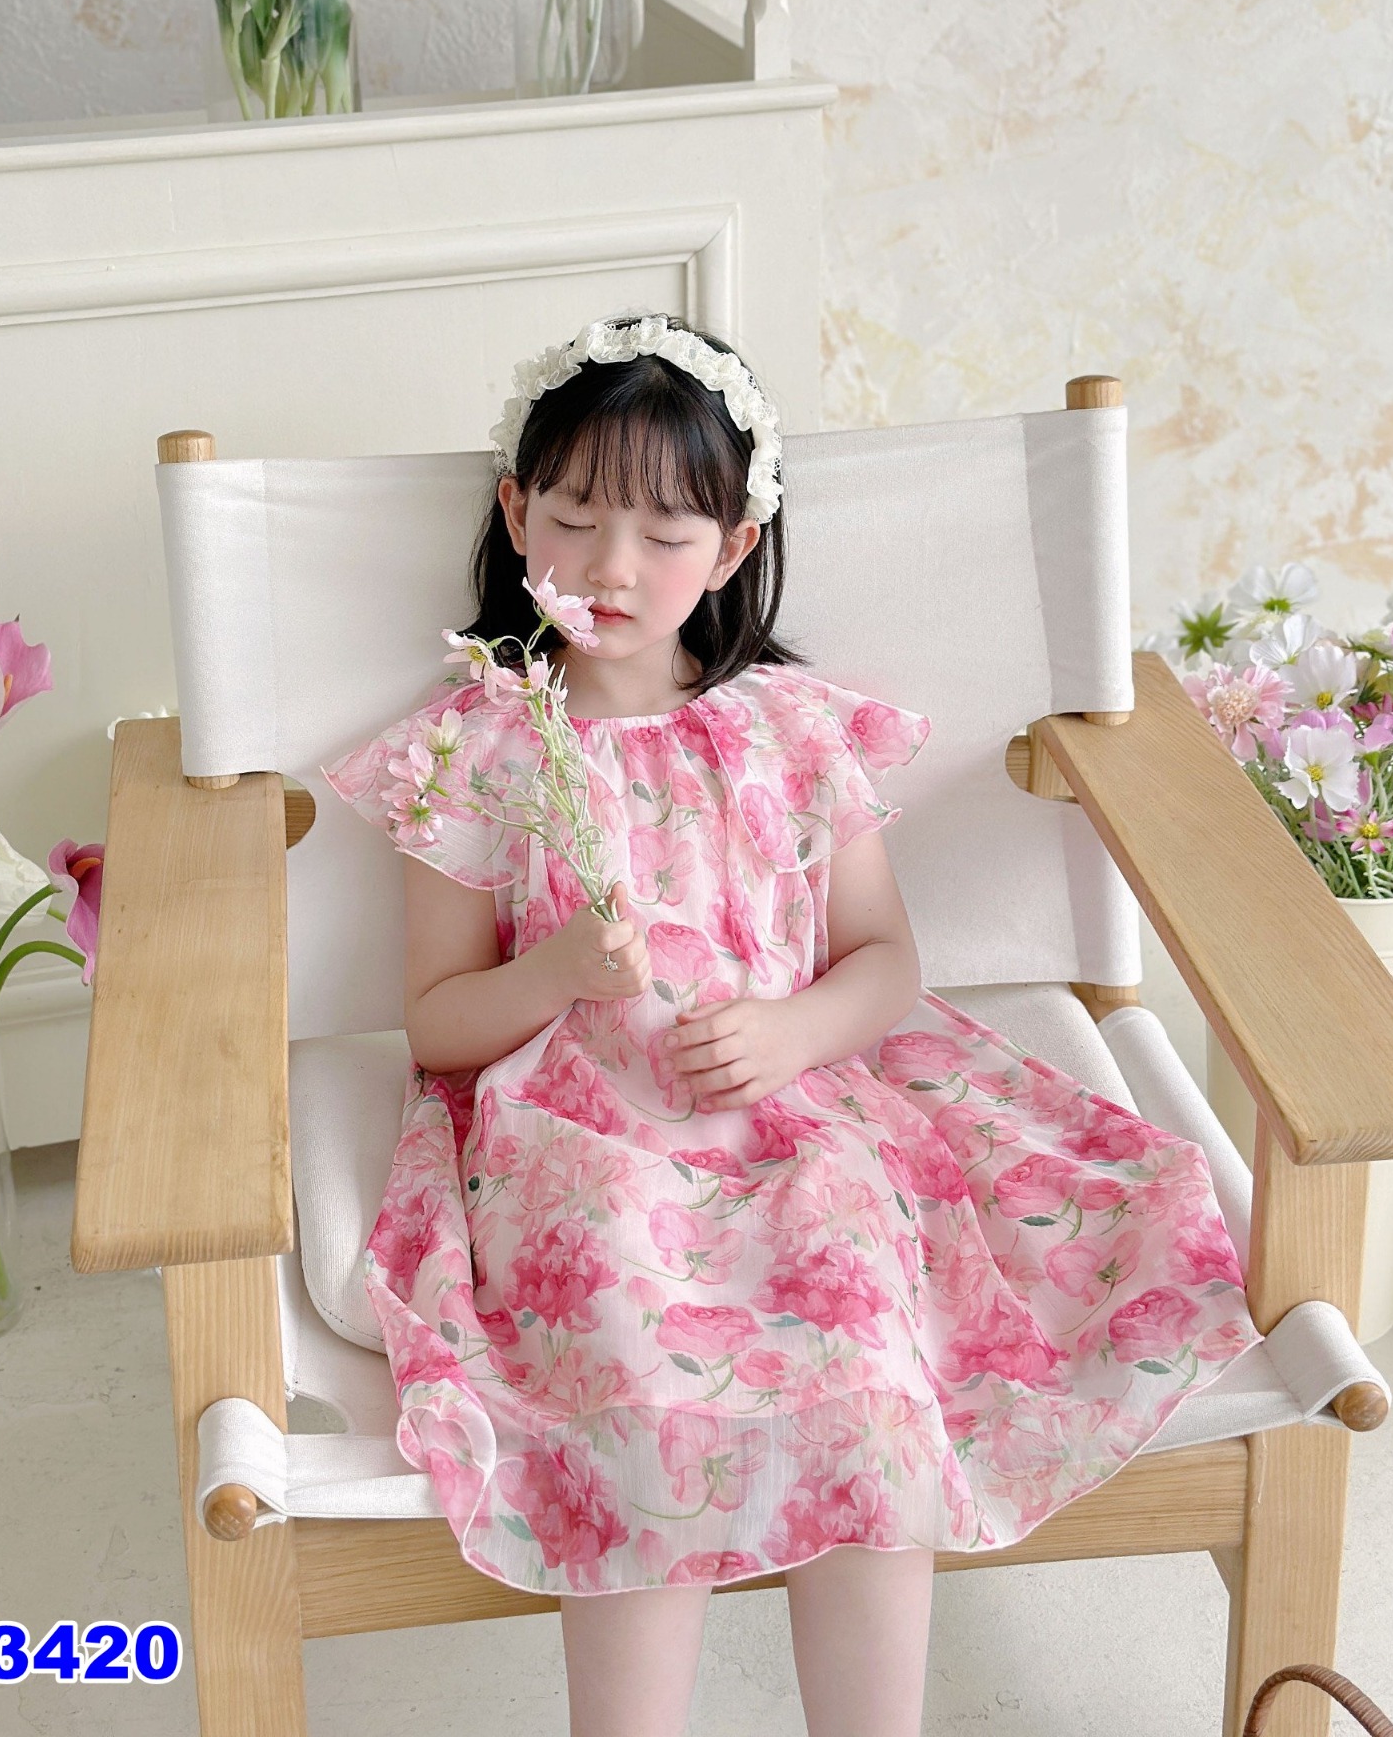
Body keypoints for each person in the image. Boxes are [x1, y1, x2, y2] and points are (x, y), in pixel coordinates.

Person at [322, 310, 1261, 1737]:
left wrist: (796, 1032)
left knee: (864, 1351)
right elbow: (440, 1025)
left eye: (663, 535)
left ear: (735, 547)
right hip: (588, 1145)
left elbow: (886, 960)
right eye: (573, 520)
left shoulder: (787, 732)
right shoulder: (481, 746)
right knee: (637, 1375)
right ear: (515, 514)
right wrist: (557, 973)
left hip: (797, 1116)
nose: (612, 567)